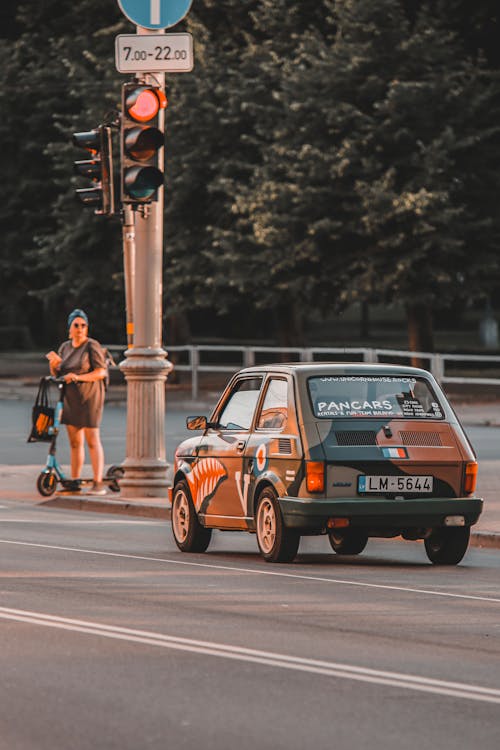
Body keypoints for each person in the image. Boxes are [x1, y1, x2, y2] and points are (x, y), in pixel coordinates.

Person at [46, 309, 107, 495]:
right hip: (70, 398)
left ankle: (98, 483)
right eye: (76, 325)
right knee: (74, 442)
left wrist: (79, 377)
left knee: (92, 439)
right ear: (69, 328)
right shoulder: (65, 347)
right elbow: (59, 374)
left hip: (89, 397)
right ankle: (75, 481)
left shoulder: (92, 345)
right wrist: (54, 365)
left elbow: (101, 372)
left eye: (83, 325)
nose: (80, 328)